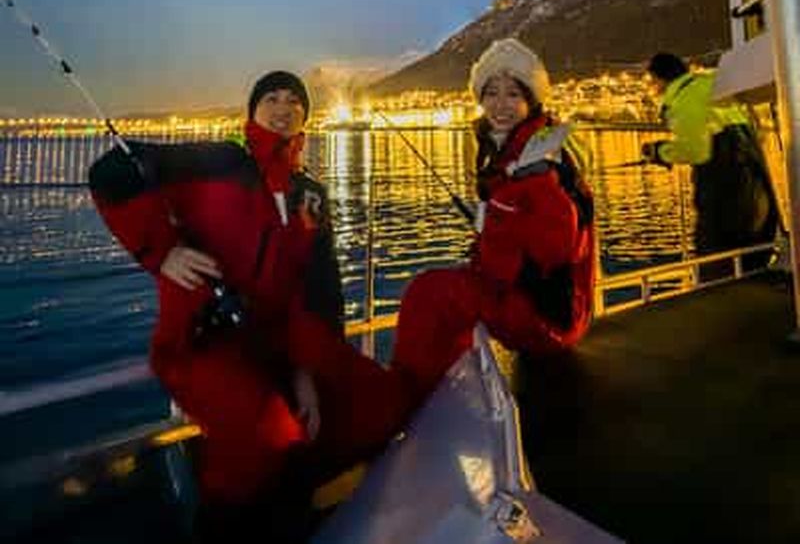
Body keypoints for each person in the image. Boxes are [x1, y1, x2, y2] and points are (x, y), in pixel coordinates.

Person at [89, 70, 408, 541]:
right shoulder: (216, 161)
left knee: (382, 403)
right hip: (203, 341)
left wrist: (305, 373)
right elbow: (111, 173)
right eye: (272, 98)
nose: (283, 108)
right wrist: (160, 252)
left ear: (305, 117)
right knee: (269, 433)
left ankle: (299, 500)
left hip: (278, 344)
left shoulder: (310, 196)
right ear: (252, 111)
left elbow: (320, 290)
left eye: (295, 101)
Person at [391, 38, 595, 404]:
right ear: (480, 99)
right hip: (546, 307)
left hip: (547, 320)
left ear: (530, 99)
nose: (501, 105)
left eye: (513, 94)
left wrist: (494, 237)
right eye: (492, 93)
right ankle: (434, 388)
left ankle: (405, 398)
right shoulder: (514, 150)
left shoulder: (540, 162)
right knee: (449, 287)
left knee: (428, 292)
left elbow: (557, 250)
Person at [642, 52, 781, 275]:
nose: (652, 88)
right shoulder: (711, 85)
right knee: (752, 264)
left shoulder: (683, 99)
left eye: (651, 82)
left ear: (660, 79)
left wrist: (659, 151)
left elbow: (696, 151)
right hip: (756, 189)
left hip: (726, 200)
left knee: (717, 270)